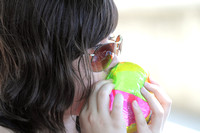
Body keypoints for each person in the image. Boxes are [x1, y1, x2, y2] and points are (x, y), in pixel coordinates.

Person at [0, 0, 172, 133]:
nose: (115, 62)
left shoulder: (98, 122)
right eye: (101, 53)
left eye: (113, 45)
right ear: (43, 64)